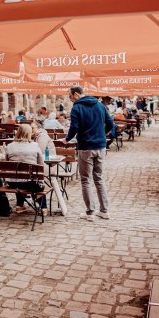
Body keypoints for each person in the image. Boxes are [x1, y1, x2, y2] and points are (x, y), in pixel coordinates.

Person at [66, 86, 113, 221]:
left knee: (86, 179)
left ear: (76, 94)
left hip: (86, 146)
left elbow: (74, 127)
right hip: (100, 146)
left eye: (70, 96)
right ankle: (104, 211)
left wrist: (68, 139)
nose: (70, 100)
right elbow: (110, 123)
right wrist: (102, 134)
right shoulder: (99, 105)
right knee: (99, 178)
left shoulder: (77, 107)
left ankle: (90, 212)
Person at [5, 124, 48, 216]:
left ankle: (20, 205)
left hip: (12, 182)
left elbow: (7, 163)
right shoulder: (35, 145)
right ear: (29, 133)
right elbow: (40, 164)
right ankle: (43, 207)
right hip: (29, 183)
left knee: (19, 177)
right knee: (35, 181)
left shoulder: (9, 146)